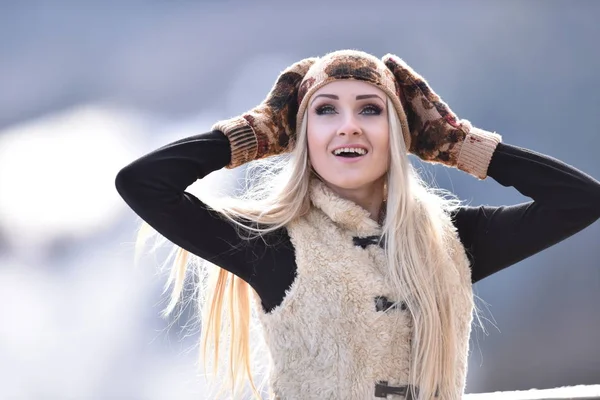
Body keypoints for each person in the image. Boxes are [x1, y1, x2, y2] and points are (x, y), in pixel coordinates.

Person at [115, 50, 600, 400]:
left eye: (370, 109)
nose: (349, 125)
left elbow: (580, 200)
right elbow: (142, 183)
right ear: (300, 136)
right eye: (325, 111)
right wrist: (257, 131)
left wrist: (457, 143)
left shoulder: (448, 240)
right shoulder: (275, 245)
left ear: (400, 132)